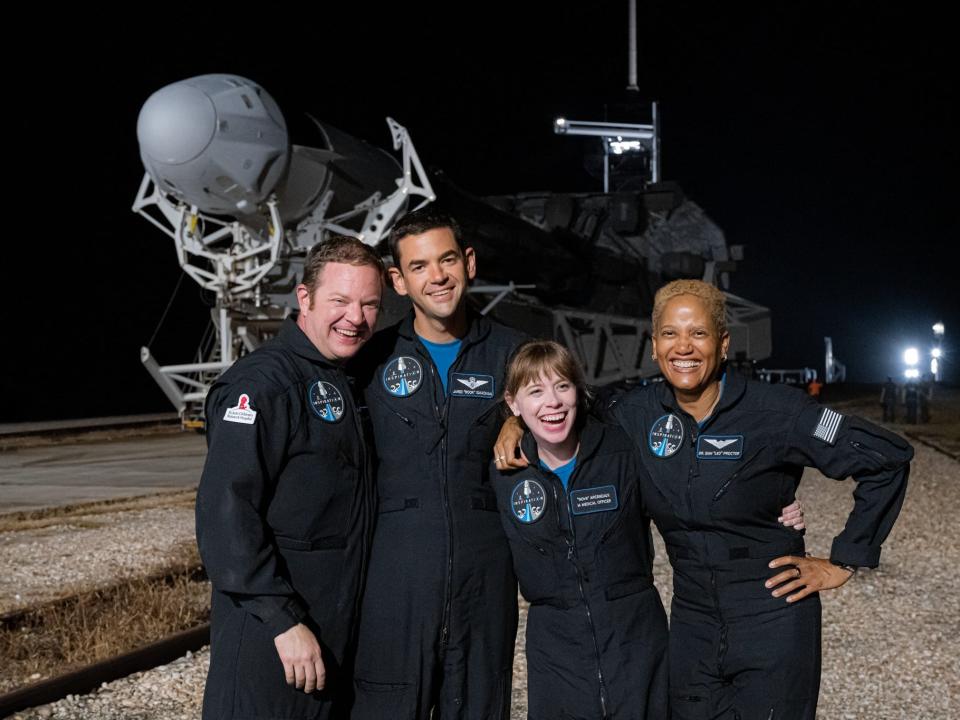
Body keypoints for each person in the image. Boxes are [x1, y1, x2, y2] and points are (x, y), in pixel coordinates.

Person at [495, 279, 912, 719]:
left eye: (699, 333)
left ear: (724, 343)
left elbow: (885, 458)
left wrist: (845, 559)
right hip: (692, 627)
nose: (684, 347)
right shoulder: (634, 415)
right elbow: (558, 408)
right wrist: (512, 425)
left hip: (772, 620)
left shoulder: (776, 411)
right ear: (654, 347)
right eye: (671, 334)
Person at [195, 237, 384, 720]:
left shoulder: (347, 378)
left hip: (331, 626)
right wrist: (283, 622)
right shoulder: (263, 385)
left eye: (368, 304)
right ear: (305, 299)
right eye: (339, 301)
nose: (355, 318)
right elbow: (227, 514)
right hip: (275, 636)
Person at [350, 208, 526, 719]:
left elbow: (575, 418)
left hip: (484, 578)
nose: (438, 277)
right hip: (393, 579)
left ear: (468, 262)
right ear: (398, 281)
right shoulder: (371, 360)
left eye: (447, 259)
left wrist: (520, 424)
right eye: (420, 266)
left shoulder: (514, 354)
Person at [491, 340, 668, 719]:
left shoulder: (623, 452)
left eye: (562, 386)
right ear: (513, 404)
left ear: (579, 392)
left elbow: (685, 507)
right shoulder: (502, 474)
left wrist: (774, 509)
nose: (552, 402)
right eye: (535, 391)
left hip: (636, 642)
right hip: (555, 652)